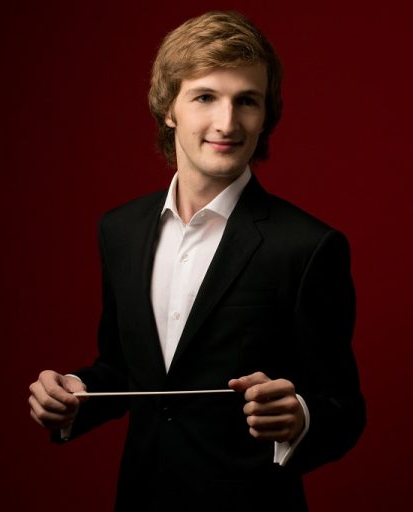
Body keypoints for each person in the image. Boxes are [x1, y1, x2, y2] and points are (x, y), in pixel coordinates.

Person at [27, 10, 365, 511]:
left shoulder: (308, 246)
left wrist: (300, 417)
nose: (227, 122)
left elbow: (344, 408)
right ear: (169, 109)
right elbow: (123, 369)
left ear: (265, 115)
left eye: (246, 100)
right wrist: (73, 392)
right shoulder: (119, 231)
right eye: (205, 97)